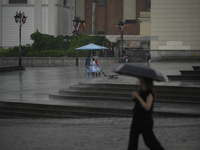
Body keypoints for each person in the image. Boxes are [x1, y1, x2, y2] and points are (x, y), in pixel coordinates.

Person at [128, 77, 165, 150]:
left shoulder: (150, 93)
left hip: (145, 121)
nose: (139, 79)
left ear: (145, 80)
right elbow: (139, 104)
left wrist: (138, 97)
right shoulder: (142, 91)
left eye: (141, 78)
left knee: (150, 142)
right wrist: (134, 97)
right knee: (132, 142)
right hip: (136, 119)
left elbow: (147, 107)